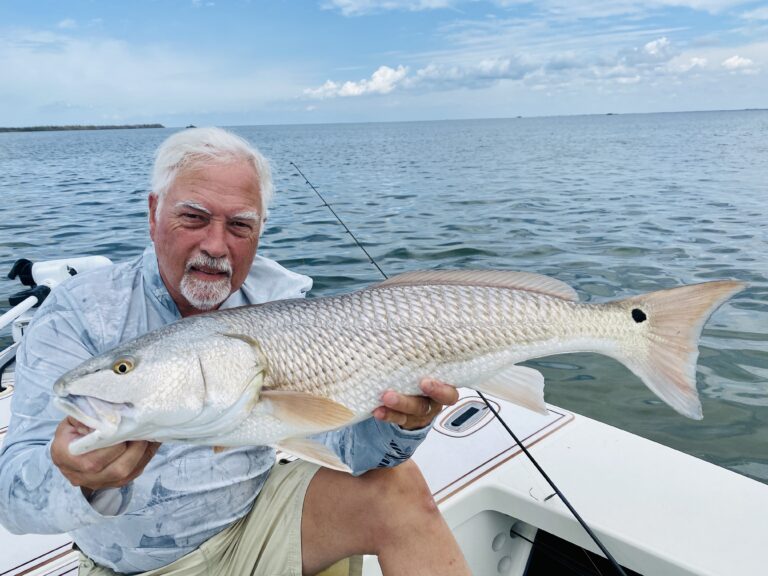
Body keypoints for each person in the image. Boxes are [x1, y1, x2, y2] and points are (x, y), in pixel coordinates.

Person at [0, 128, 471, 576]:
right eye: (194, 217)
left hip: (257, 521)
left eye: (240, 226)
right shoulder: (79, 314)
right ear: (153, 213)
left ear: (260, 231)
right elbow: (11, 494)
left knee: (400, 487)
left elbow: (349, 449)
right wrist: (76, 475)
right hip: (131, 564)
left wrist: (405, 423)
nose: (215, 245)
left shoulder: (281, 305)